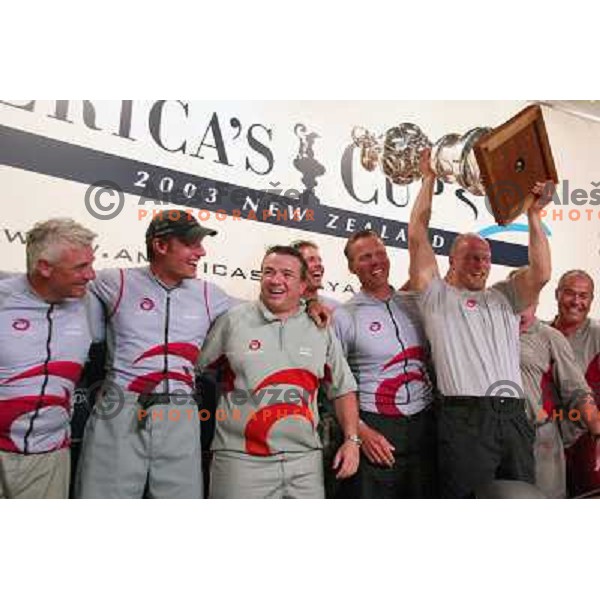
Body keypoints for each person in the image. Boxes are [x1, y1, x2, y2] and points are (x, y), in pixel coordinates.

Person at [408, 148, 553, 498]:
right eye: (471, 257)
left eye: (485, 258)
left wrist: (535, 215)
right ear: (452, 261)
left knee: (519, 501)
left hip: (514, 415)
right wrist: (428, 178)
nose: (480, 264)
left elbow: (543, 272)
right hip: (465, 418)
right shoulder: (436, 296)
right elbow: (416, 234)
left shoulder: (505, 295)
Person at [76, 211, 231, 499]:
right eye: (191, 244)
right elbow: (61, 285)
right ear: (160, 246)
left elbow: (266, 310)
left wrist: (310, 301)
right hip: (121, 409)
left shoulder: (211, 294)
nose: (201, 252)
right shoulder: (114, 281)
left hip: (181, 412)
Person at [196, 245, 360, 499]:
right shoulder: (231, 321)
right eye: (268, 272)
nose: (275, 280)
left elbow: (342, 388)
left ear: (303, 285)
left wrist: (352, 440)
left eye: (286, 274)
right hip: (239, 461)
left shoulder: (320, 327)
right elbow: (197, 370)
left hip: (305, 463)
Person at [333, 230, 437, 498]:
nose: (376, 261)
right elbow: (333, 384)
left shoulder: (416, 303)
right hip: (375, 429)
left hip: (425, 427)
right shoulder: (345, 315)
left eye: (380, 253)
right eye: (365, 257)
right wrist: (360, 432)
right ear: (352, 267)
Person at [0, 218, 96, 498]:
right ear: (44, 267)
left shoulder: (91, 302)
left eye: (91, 264)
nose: (91, 275)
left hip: (51, 458)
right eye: (81, 267)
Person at [517, 290, 600, 498]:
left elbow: (577, 389)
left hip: (543, 434)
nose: (576, 301)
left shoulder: (549, 336)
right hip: (492, 433)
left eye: (583, 296)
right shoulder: (491, 332)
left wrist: (597, 430)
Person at [291, 239, 342, 497]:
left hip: (332, 424)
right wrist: (307, 304)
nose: (318, 265)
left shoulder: (339, 310)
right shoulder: (278, 310)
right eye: (311, 260)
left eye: (319, 260)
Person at [550, 269, 600, 496]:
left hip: (586, 442)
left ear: (591, 300)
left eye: (584, 295)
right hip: (544, 443)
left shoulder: (597, 335)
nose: (576, 301)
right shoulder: (538, 333)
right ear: (557, 294)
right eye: (570, 293)